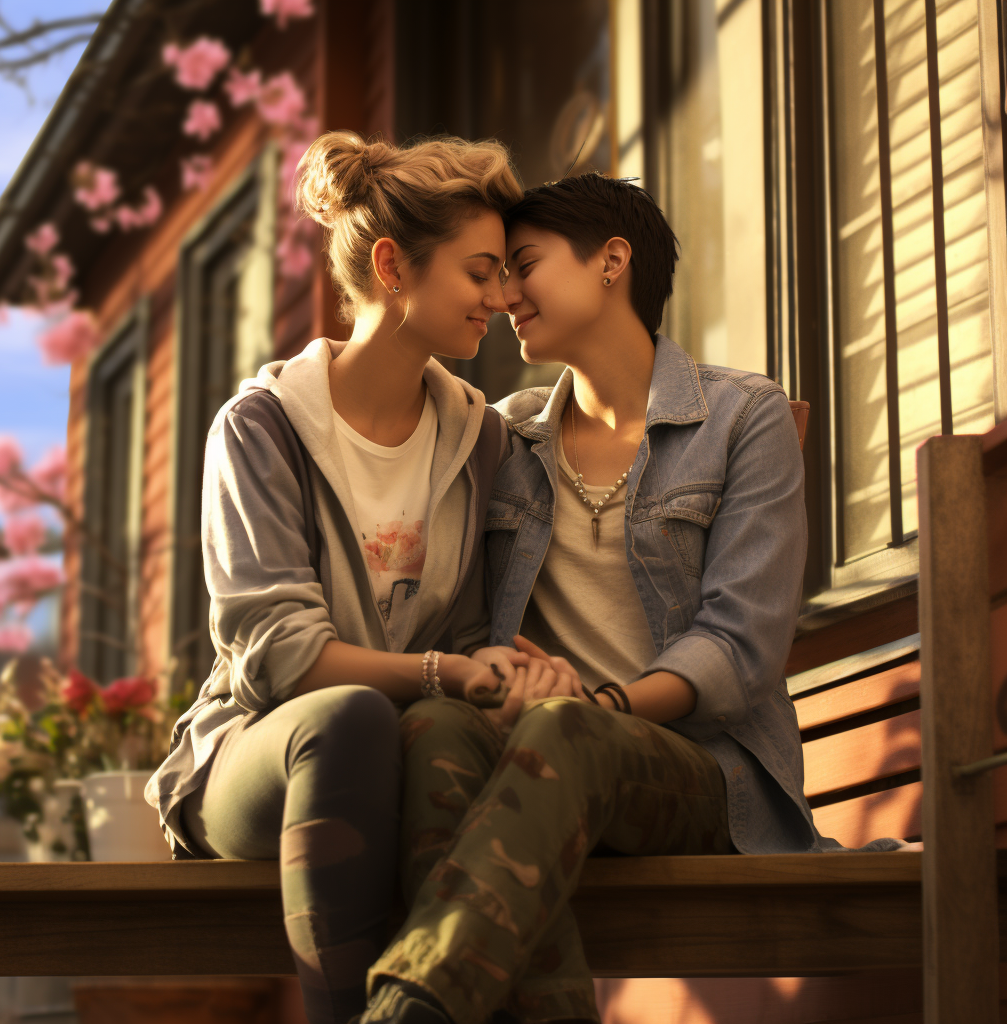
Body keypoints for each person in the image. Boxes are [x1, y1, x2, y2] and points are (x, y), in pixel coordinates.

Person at [358, 173, 906, 1024]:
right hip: (539, 760)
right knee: (433, 727)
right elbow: (461, 616)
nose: (503, 294)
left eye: (524, 264)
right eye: (495, 272)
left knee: (566, 728)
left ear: (612, 261)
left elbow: (741, 645)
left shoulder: (740, 418)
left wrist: (601, 703)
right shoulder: (506, 437)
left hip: (699, 772)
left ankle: (407, 1009)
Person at [144, 130, 563, 1024]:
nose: (503, 296)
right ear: (392, 266)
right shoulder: (261, 429)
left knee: (427, 745)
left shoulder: (483, 439)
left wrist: (509, 671)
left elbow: (468, 642)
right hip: (262, 755)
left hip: (416, 759)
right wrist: (442, 675)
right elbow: (279, 657)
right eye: (480, 271)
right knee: (345, 718)